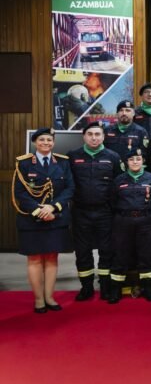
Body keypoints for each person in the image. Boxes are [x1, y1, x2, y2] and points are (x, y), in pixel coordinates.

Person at [12, 128, 74, 313]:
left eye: (49, 140)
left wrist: (53, 207)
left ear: (53, 143)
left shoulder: (63, 163)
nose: (46, 143)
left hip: (56, 216)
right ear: (35, 142)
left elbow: (70, 188)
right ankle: (39, 299)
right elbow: (20, 193)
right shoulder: (23, 163)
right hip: (31, 218)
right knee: (35, 259)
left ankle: (50, 297)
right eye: (42, 140)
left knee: (52, 258)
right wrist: (39, 211)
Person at [67, 121, 123, 301]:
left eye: (97, 134)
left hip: (105, 212)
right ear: (84, 136)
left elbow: (117, 185)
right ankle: (86, 287)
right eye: (90, 134)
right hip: (80, 211)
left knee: (107, 250)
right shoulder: (73, 156)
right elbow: (68, 183)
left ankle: (105, 286)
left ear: (103, 137)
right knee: (82, 251)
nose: (94, 137)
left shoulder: (113, 156)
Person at [108, 148, 151, 303]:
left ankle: (148, 287)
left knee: (147, 254)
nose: (135, 162)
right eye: (131, 160)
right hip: (123, 221)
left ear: (143, 161)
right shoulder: (118, 180)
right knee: (120, 254)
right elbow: (112, 201)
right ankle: (115, 289)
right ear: (127, 163)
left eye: (138, 159)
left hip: (147, 221)